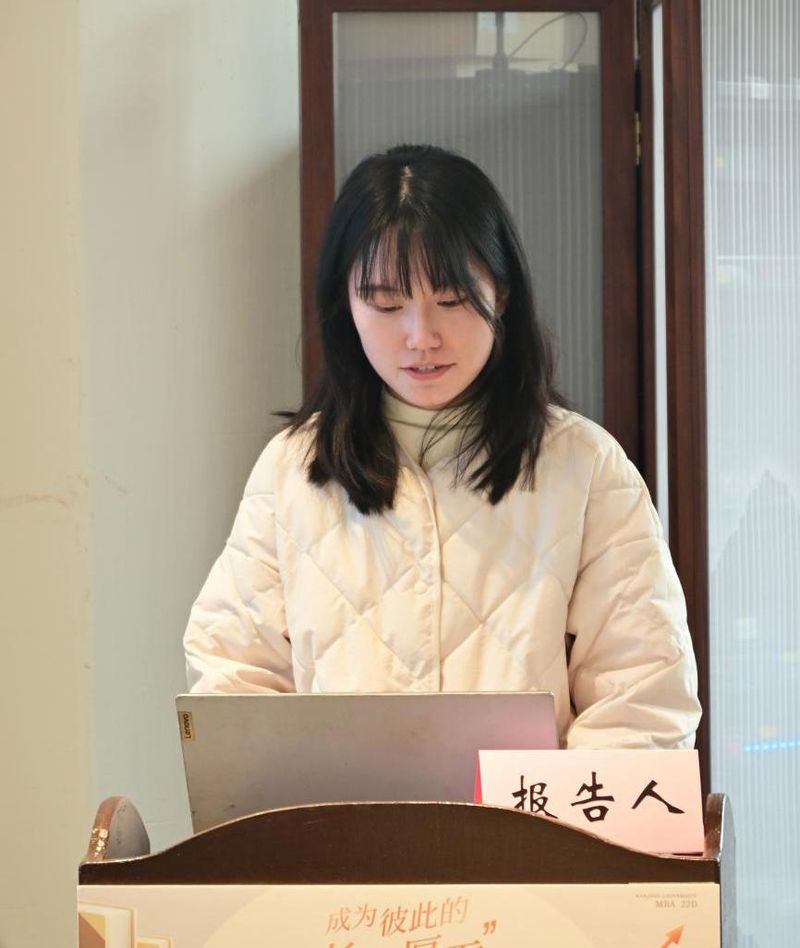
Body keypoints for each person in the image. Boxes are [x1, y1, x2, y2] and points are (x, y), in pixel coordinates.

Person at [184, 144, 701, 749]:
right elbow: (233, 683)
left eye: (451, 300)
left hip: (530, 814)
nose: (420, 337)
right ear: (345, 304)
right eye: (386, 304)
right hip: (336, 816)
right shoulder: (292, 470)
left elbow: (642, 699)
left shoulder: (585, 468)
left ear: (500, 293)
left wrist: (536, 811)